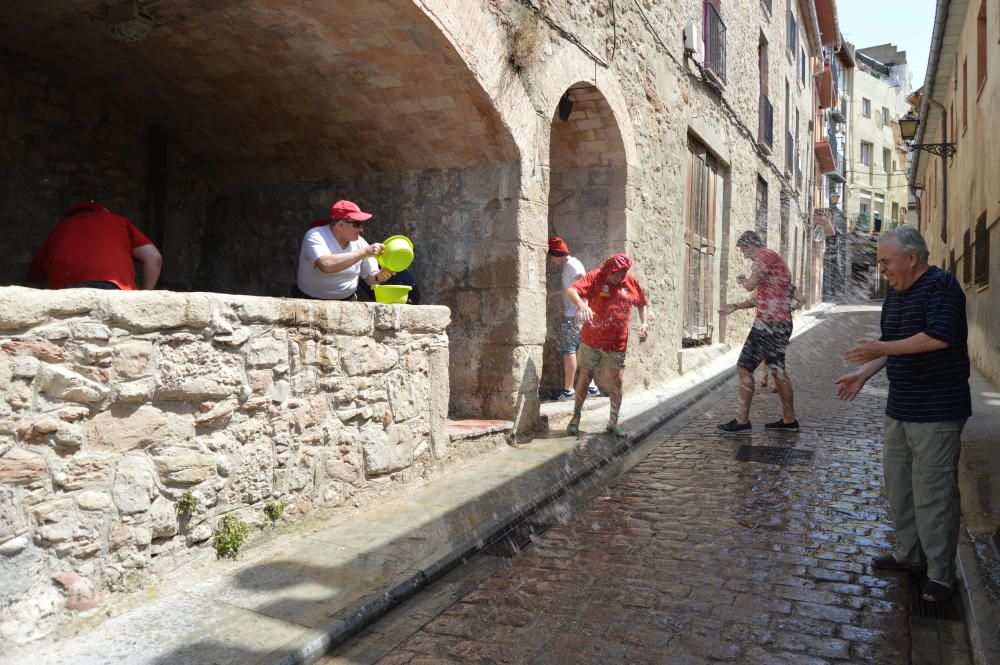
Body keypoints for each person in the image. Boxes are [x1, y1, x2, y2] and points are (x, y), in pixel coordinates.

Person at [835, 227, 970, 603]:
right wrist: (863, 375)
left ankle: (942, 575)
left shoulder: (942, 287)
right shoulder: (895, 294)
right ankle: (910, 555)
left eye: (885, 261)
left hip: (937, 409)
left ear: (912, 258)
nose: (882, 269)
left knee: (935, 494)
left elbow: (938, 337)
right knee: (900, 487)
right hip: (901, 406)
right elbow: (891, 349)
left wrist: (883, 346)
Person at [717, 230, 798, 434]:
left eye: (744, 250)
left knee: (744, 367)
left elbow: (750, 285)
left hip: (768, 324)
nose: (744, 255)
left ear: (750, 245)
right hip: (781, 323)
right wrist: (734, 306)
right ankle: (789, 420)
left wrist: (743, 280)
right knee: (777, 369)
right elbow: (756, 299)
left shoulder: (763, 256)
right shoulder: (774, 261)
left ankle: (742, 421)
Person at [564, 253, 648, 437]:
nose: (619, 278)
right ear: (608, 270)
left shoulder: (630, 281)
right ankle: (575, 418)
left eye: (623, 273)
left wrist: (644, 323)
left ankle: (613, 422)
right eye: (616, 274)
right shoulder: (596, 276)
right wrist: (581, 305)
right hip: (592, 337)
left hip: (617, 341)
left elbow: (642, 304)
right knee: (585, 376)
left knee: (617, 380)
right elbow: (571, 291)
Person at [26, 201, 162, 290]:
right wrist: (144, 297)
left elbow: (33, 281)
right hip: (115, 289)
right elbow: (153, 257)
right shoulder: (118, 222)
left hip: (67, 290)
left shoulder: (60, 229)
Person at [295, 200, 393, 301]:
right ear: (340, 225)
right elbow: (326, 265)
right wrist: (364, 252)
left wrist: (380, 276)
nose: (361, 229)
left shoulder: (360, 242)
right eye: (357, 224)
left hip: (347, 301)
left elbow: (369, 277)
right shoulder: (315, 236)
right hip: (309, 302)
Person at [546, 237, 599, 400]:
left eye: (552, 257)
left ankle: (568, 389)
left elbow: (585, 286)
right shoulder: (571, 265)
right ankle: (591, 387)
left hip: (574, 315)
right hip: (576, 313)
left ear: (557, 254)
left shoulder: (571, 265)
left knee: (568, 351)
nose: (552, 260)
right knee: (578, 350)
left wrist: (581, 307)